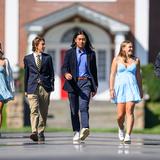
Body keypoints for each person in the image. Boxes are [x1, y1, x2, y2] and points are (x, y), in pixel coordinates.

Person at [61, 30, 98, 144]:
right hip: (72, 83)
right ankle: (76, 131)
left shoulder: (91, 54)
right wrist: (66, 73)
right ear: (75, 40)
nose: (82, 41)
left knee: (83, 106)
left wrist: (94, 86)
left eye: (83, 39)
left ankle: (85, 128)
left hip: (85, 83)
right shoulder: (69, 53)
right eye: (79, 39)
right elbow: (64, 67)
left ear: (86, 40)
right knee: (73, 109)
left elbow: (94, 71)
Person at [109, 40, 143, 143]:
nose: (131, 49)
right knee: (120, 116)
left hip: (132, 88)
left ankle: (128, 135)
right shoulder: (116, 60)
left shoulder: (136, 60)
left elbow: (138, 76)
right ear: (123, 48)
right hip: (120, 89)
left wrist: (141, 89)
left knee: (130, 111)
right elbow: (112, 75)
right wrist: (111, 89)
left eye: (132, 47)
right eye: (129, 47)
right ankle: (121, 128)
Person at [24, 36, 54, 142]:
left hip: (45, 88)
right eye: (42, 44)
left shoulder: (48, 58)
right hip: (32, 87)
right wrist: (25, 89)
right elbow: (26, 75)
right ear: (36, 45)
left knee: (44, 112)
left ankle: (41, 131)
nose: (44, 46)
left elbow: (51, 74)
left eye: (44, 44)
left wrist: (51, 86)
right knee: (34, 110)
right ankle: (34, 132)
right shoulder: (27, 58)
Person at [0, 42, 15, 137]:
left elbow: (9, 76)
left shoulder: (5, 61)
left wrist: (11, 89)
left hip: (1, 88)